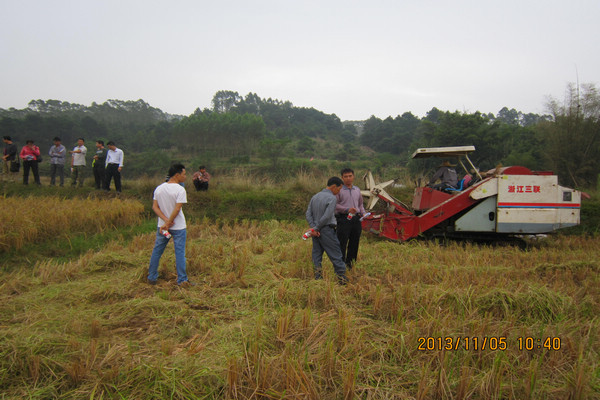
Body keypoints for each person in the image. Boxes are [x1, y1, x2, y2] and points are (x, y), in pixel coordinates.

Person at [147, 163, 191, 286]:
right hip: (178, 227)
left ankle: (152, 277)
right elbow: (177, 209)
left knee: (157, 250)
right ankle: (182, 280)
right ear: (177, 175)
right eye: (184, 174)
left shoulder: (159, 188)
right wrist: (169, 221)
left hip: (162, 227)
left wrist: (165, 221)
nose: (185, 177)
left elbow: (155, 207)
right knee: (180, 253)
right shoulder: (180, 190)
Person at [305, 177, 348, 284]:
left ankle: (318, 278)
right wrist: (316, 228)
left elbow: (308, 214)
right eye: (339, 189)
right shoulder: (332, 198)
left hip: (316, 231)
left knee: (317, 255)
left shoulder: (315, 197)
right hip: (326, 230)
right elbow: (327, 216)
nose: (339, 192)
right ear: (334, 187)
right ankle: (342, 278)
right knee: (336, 253)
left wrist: (313, 228)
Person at [335, 168, 367, 270]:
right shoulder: (338, 190)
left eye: (350, 176)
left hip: (356, 220)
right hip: (344, 219)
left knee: (354, 242)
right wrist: (347, 209)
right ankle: (340, 266)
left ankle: (350, 265)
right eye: (345, 176)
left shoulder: (357, 190)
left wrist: (363, 213)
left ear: (353, 176)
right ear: (342, 178)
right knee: (342, 243)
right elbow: (335, 205)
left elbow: (360, 204)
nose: (348, 178)